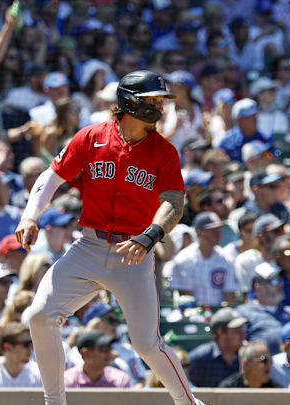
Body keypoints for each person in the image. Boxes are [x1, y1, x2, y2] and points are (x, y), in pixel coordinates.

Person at [16, 70, 205, 405]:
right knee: (39, 316)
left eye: (161, 100)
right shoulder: (92, 137)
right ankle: (54, 402)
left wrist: (151, 235)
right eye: (153, 100)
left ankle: (188, 403)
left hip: (134, 252)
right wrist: (31, 215)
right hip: (88, 246)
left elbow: (174, 202)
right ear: (128, 102)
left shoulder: (163, 151)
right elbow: (53, 175)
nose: (160, 107)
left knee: (147, 344)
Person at [167, 211, 238, 306]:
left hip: (219, 313)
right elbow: (186, 299)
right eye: (213, 230)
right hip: (191, 315)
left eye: (219, 229)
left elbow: (230, 298)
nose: (218, 233)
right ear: (199, 233)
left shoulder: (226, 259)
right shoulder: (184, 259)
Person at [236, 264, 290, 355]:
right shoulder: (243, 313)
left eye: (280, 281)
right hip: (261, 365)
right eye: (274, 281)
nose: (280, 286)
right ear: (258, 288)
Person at [188, 307, 247, 387]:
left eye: (242, 329)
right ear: (221, 332)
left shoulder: (247, 357)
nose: (243, 334)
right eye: (237, 330)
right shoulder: (199, 357)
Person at [0, 322, 42, 388]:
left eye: (31, 343)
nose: (31, 348)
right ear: (8, 347)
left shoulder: (37, 372)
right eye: (26, 344)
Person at [64, 330, 131, 388]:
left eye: (110, 348)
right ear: (86, 354)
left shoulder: (120, 379)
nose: (112, 353)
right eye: (104, 349)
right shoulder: (67, 380)